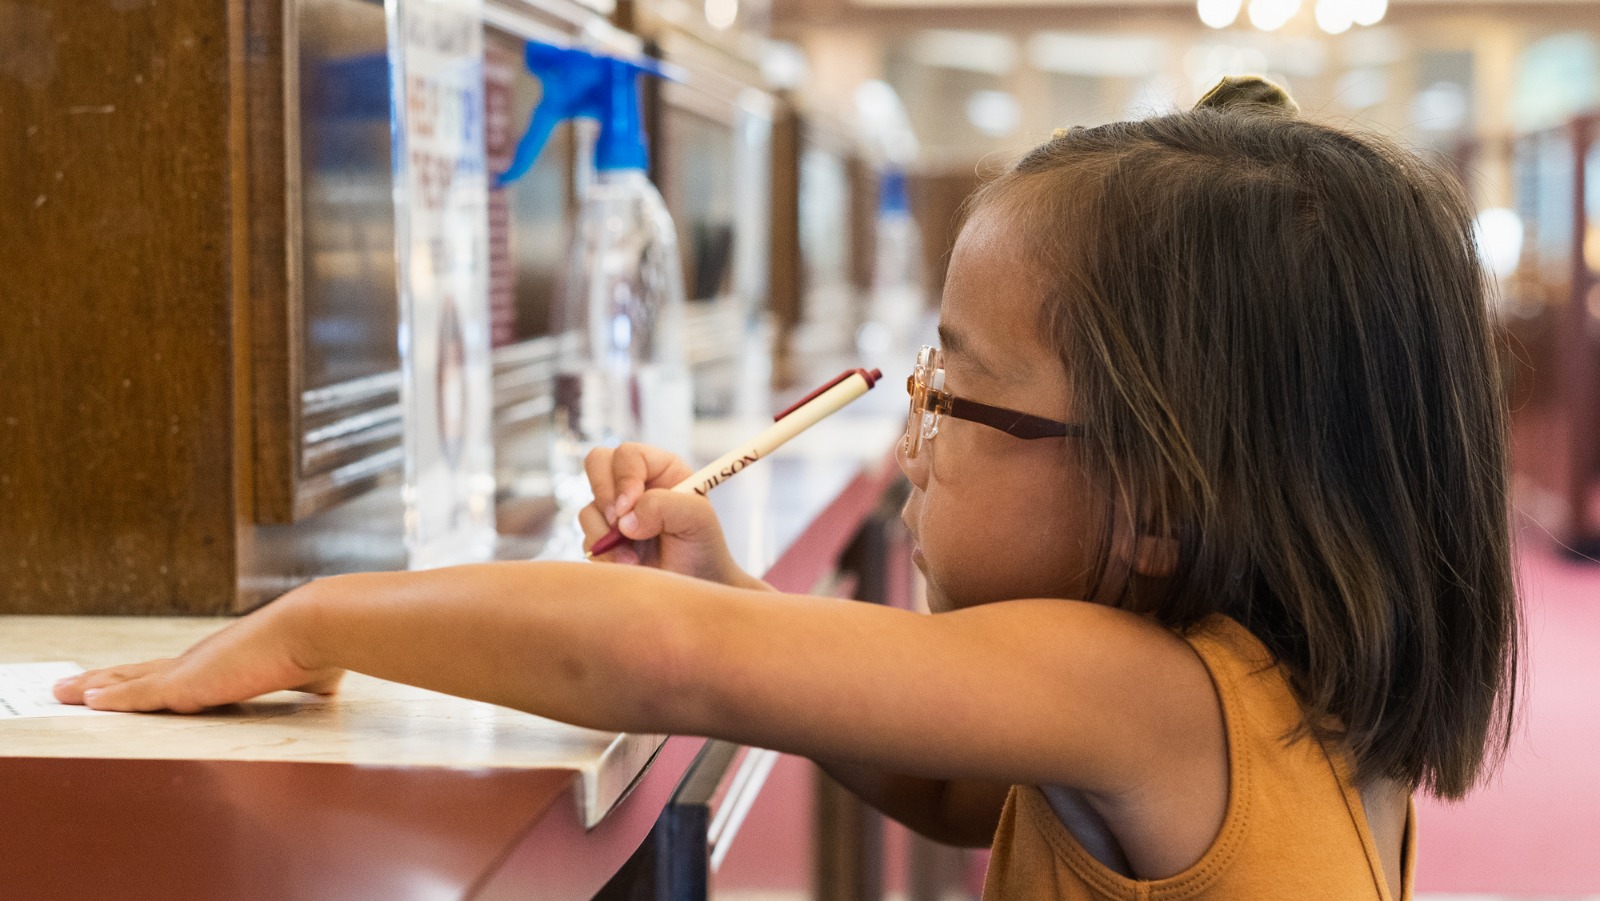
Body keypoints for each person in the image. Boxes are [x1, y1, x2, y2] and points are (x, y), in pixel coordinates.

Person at [55, 77, 1518, 899]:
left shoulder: (1145, 691)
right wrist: (743, 597)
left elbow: (655, 660)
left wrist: (317, 620)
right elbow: (953, 790)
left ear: (1154, 501)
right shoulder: (1278, 703)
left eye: (954, 393)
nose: (912, 443)